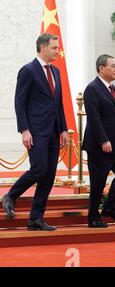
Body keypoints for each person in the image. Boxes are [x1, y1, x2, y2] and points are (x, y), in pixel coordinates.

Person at [1, 33, 68, 231]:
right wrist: (24, 130)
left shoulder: (56, 71)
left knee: (48, 176)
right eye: (54, 48)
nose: (57, 51)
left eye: (57, 48)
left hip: (54, 131)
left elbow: (59, 103)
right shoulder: (28, 70)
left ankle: (36, 219)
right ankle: (11, 195)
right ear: (43, 47)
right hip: (36, 131)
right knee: (39, 169)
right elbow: (19, 102)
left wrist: (63, 128)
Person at [82, 54, 115, 228]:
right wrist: (104, 140)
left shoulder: (114, 89)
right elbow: (94, 118)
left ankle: (110, 208)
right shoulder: (92, 89)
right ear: (101, 68)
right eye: (113, 66)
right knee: (98, 181)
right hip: (99, 144)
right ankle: (93, 217)